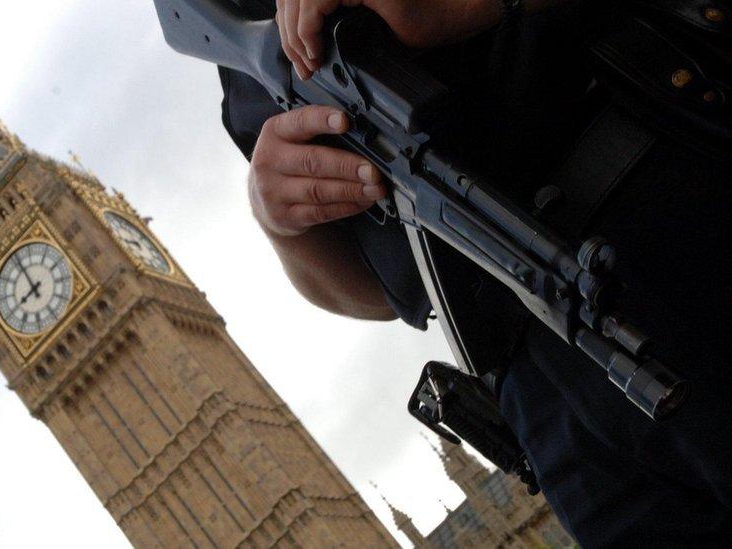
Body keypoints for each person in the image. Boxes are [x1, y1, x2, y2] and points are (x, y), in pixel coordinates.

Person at [217, 0, 732, 545]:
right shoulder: (236, 57)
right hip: (545, 401)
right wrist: (279, 219)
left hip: (670, 224)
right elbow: (378, 296)